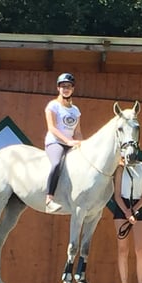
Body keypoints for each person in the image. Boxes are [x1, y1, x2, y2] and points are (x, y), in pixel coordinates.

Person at [44, 72, 83, 213]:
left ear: (73, 89)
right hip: (55, 142)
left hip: (71, 143)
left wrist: (81, 143)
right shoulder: (53, 106)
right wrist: (67, 141)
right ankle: (49, 199)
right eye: (63, 86)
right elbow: (52, 127)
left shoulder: (75, 110)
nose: (66, 89)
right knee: (57, 163)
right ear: (58, 88)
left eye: (69, 86)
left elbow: (77, 131)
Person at [112, 158, 142, 283]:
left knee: (140, 249)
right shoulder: (120, 168)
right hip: (122, 206)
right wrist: (127, 212)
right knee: (123, 249)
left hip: (138, 206)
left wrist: (134, 210)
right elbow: (116, 194)